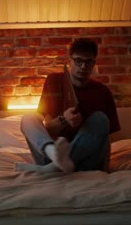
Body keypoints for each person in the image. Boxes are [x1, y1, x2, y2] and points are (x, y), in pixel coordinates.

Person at [15, 38, 120, 173]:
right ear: (69, 61)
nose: (83, 66)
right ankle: (55, 156)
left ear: (94, 63)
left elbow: (105, 139)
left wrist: (106, 169)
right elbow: (50, 130)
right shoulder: (54, 81)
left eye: (88, 62)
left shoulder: (103, 92)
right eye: (78, 61)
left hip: (85, 163)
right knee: (28, 118)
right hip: (50, 157)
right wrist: (64, 119)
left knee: (100, 119)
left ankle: (52, 169)